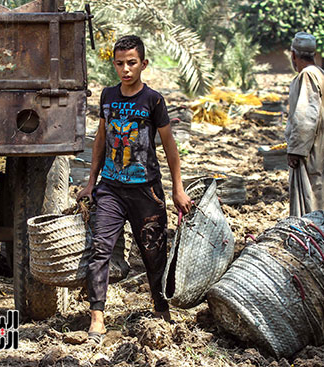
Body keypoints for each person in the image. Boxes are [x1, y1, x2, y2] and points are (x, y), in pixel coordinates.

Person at [77, 35, 192, 341]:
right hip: (111, 189)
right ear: (113, 63)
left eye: (131, 63)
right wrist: (91, 183)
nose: (125, 69)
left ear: (143, 64)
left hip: (146, 191)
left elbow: (169, 146)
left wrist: (178, 189)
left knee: (154, 253)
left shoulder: (153, 101)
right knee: (100, 249)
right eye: (119, 63)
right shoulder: (108, 96)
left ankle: (160, 307)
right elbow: (101, 139)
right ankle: (97, 317)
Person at [285, 32, 324, 219]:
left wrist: (295, 150)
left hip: (313, 154)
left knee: (313, 201)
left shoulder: (307, 76)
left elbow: (305, 118)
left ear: (294, 55)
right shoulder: (322, 74)